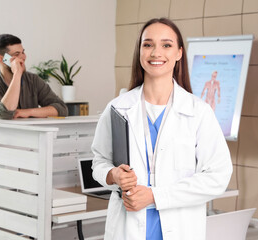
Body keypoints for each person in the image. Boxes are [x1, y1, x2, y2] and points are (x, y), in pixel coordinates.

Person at [91, 18, 232, 240]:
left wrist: (155, 196)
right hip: (127, 229)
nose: (156, 52)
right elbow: (98, 162)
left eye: (166, 45)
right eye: (148, 45)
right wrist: (113, 174)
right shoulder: (118, 108)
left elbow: (218, 177)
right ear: (140, 52)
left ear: (179, 53)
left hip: (181, 229)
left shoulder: (198, 112)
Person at [0, 34, 68, 119]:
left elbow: (62, 109)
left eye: (23, 52)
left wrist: (27, 112)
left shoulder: (33, 80)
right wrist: (17, 73)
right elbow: (5, 113)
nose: (24, 57)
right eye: (16, 54)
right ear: (2, 59)